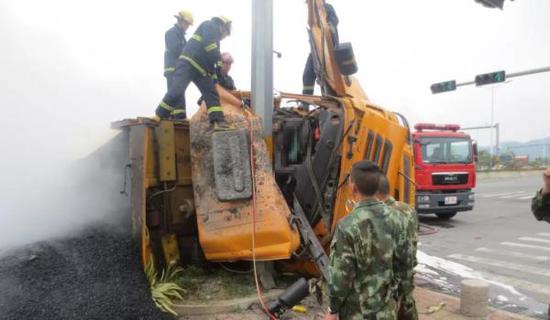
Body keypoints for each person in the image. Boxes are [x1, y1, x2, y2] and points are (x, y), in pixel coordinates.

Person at [325, 160, 413, 320]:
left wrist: (332, 310)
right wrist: (401, 299)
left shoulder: (347, 226)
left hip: (356, 313)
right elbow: (405, 266)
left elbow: (341, 277)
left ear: (353, 187)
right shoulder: (398, 220)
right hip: (387, 311)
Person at [155, 16, 232, 128]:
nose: (224, 37)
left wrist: (215, 78)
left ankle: (218, 122)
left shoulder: (216, 38)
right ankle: (159, 115)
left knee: (212, 94)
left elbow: (212, 61)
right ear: (222, 26)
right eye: (226, 33)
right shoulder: (210, 25)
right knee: (177, 90)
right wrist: (218, 61)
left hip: (201, 69)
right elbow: (210, 48)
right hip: (188, 63)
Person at [377, 174, 419, 320]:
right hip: (408, 273)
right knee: (408, 306)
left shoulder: (383, 216)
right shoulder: (409, 210)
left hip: (392, 280)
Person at [302, 2, 339, 96]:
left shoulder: (326, 7)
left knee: (327, 77)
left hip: (328, 50)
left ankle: (330, 97)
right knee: (307, 74)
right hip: (316, 50)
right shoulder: (312, 14)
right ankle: (305, 102)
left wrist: (328, 27)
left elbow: (334, 21)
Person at [164, 10, 194, 91]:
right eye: (186, 23)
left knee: (178, 97)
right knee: (174, 96)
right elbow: (175, 49)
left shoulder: (181, 36)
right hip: (172, 69)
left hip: (178, 70)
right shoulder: (171, 33)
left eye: (188, 24)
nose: (187, 26)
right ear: (180, 20)